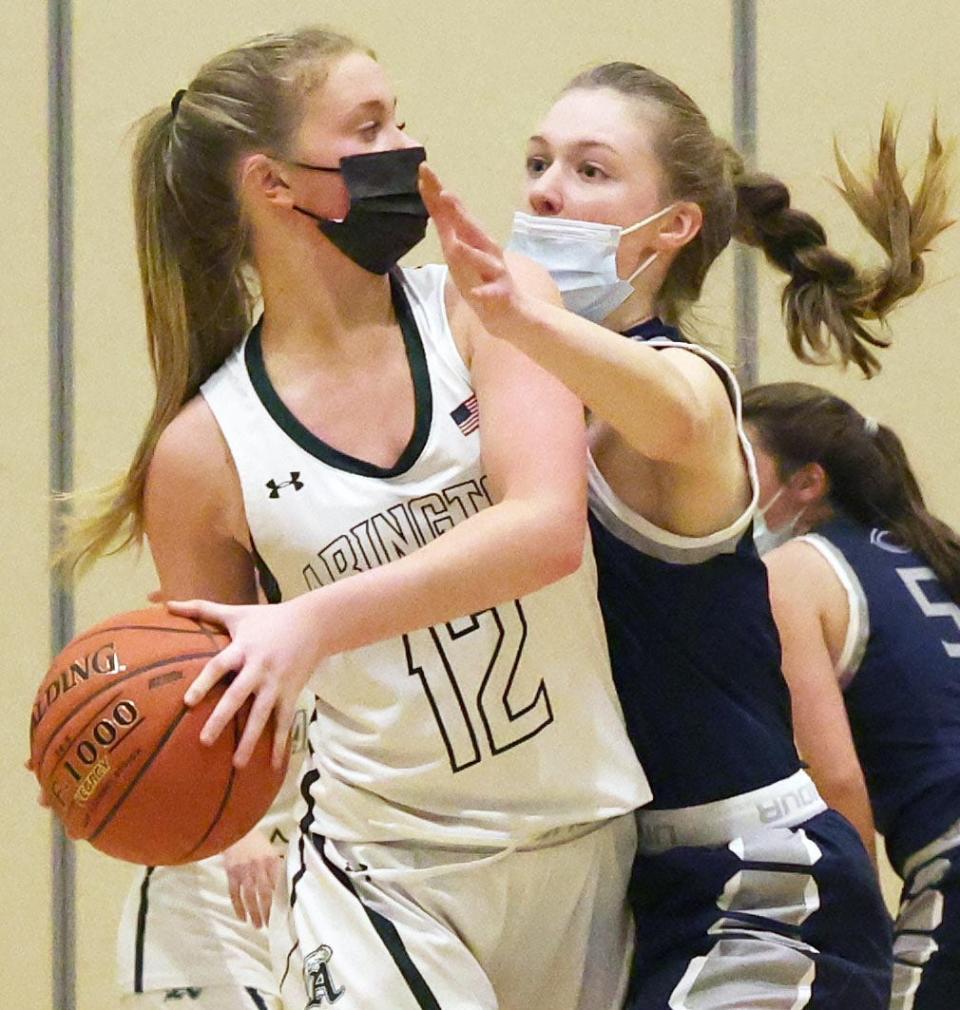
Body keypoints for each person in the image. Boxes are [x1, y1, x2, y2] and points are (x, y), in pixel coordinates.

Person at [65, 27, 650, 1010]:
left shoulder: (489, 307)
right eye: (369, 125)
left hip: (586, 832)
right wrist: (202, 810)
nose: (405, 146)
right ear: (274, 183)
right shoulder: (204, 452)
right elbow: (214, 713)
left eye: (401, 116)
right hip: (386, 871)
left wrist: (313, 617)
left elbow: (547, 527)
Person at [413, 63, 952, 1008]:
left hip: (758, 875)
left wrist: (519, 314)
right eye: (538, 161)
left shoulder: (688, 387)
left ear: (672, 228)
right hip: (628, 880)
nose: (544, 187)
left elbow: (674, 413)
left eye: (590, 170)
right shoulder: (523, 400)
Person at [743, 381, 960, 1010]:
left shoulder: (794, 571)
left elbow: (837, 779)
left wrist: (856, 931)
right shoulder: (933, 549)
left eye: (740, 459)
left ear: (807, 483)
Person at [116, 697, 312, 1010]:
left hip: (312, 923)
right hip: (202, 925)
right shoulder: (197, 652)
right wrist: (230, 828)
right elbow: (135, 754)